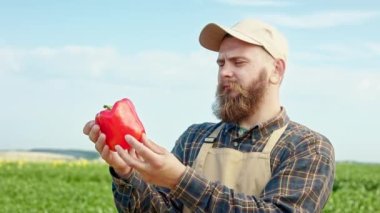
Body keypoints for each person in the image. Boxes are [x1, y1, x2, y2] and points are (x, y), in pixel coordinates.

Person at [83, 19, 335, 212]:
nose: (225, 72)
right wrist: (127, 174)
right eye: (221, 63)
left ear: (276, 71)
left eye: (238, 62)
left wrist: (180, 179)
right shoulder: (195, 138)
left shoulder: (307, 148)